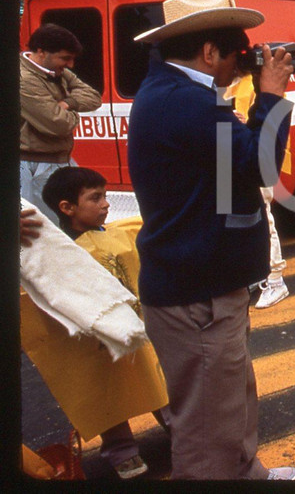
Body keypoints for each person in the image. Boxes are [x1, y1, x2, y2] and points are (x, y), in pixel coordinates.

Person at [127, 0, 295, 480]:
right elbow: (261, 165)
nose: (236, 66)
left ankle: (248, 473)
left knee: (231, 399)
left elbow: (226, 174)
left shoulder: (174, 93)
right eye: (234, 55)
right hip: (195, 293)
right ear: (208, 52)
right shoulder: (185, 102)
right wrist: (270, 96)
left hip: (203, 280)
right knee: (206, 430)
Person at [40, 166, 170, 479]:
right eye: (96, 198)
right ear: (67, 207)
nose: (106, 204)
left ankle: (180, 425)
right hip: (95, 339)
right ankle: (122, 450)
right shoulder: (60, 254)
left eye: (105, 196)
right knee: (107, 391)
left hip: (136, 325)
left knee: (155, 375)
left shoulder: (115, 234)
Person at [20, 23, 102, 223]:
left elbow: (93, 97)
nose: (70, 65)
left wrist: (67, 103)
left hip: (58, 160)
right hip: (32, 165)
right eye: (65, 58)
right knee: (47, 230)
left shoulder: (56, 70)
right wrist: (72, 115)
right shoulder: (24, 79)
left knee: (73, 225)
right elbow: (58, 124)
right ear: (41, 52)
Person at [225, 73, 292, 309]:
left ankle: (275, 280)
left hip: (251, 157)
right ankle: (258, 276)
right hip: (229, 157)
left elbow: (269, 122)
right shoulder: (223, 85)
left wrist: (240, 123)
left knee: (264, 218)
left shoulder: (252, 84)